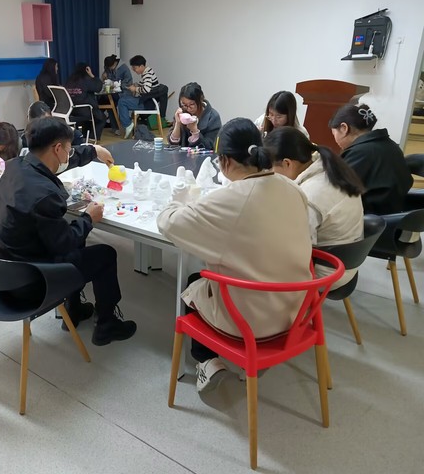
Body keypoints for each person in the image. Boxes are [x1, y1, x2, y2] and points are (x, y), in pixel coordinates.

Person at [157, 118, 312, 393]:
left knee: (194, 281)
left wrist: (176, 201)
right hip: (296, 309)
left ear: (226, 161)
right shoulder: (292, 188)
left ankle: (206, 362)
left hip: (253, 323)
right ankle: (240, 361)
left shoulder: (232, 198)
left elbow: (169, 224)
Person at [0, 117, 137, 345]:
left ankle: (73, 309)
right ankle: (106, 325)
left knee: (75, 238)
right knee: (105, 254)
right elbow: (64, 243)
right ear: (57, 148)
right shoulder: (44, 194)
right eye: (68, 148)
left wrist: (93, 151)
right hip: (30, 279)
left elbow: (66, 160)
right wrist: (89, 218)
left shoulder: (16, 166)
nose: (69, 154)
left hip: (1, 269)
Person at [265, 126, 364, 288]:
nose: (271, 173)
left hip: (325, 273)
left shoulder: (309, 196)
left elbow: (296, 251)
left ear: (287, 163)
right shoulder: (328, 168)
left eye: (271, 168)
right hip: (346, 261)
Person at [329, 103, 413, 215]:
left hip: (370, 216)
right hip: (392, 213)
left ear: (344, 128)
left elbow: (335, 188)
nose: (335, 140)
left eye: (334, 133)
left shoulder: (360, 152)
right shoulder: (391, 145)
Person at [168, 82, 222, 150]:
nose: (188, 108)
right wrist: (177, 123)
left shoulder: (213, 116)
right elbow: (173, 144)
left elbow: (211, 146)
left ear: (200, 100)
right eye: (184, 104)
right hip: (182, 155)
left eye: (191, 104)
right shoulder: (182, 113)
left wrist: (195, 131)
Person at [117, 55, 159, 139]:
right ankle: (128, 123)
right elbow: (145, 85)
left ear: (142, 66)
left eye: (135, 68)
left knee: (122, 101)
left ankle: (128, 124)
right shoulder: (148, 71)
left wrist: (135, 89)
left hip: (146, 103)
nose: (133, 70)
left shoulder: (147, 74)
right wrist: (136, 85)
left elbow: (146, 89)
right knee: (124, 100)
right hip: (146, 101)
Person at [65, 62, 106, 140]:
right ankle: (93, 138)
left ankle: (85, 137)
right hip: (85, 110)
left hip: (71, 110)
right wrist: (92, 75)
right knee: (102, 118)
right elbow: (98, 88)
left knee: (91, 118)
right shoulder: (86, 79)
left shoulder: (70, 80)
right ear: (86, 70)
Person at [101, 54, 133, 132]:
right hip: (112, 92)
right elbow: (104, 79)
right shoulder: (108, 68)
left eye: (111, 67)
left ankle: (115, 126)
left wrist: (113, 83)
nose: (110, 69)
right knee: (104, 100)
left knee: (110, 101)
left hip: (123, 92)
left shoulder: (124, 68)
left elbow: (127, 84)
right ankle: (111, 125)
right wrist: (103, 77)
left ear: (115, 63)